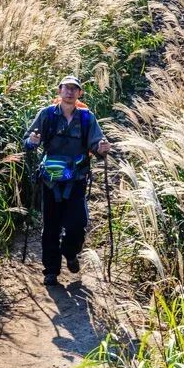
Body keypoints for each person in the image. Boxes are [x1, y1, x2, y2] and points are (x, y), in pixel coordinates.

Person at [23, 75, 111, 286]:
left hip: (77, 180)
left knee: (77, 225)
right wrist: (32, 141)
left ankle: (69, 252)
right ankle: (51, 271)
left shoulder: (87, 118)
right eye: (66, 88)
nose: (70, 92)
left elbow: (96, 145)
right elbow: (28, 141)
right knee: (50, 227)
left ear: (79, 93)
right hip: (51, 181)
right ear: (59, 91)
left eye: (74, 89)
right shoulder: (47, 115)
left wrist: (101, 149)